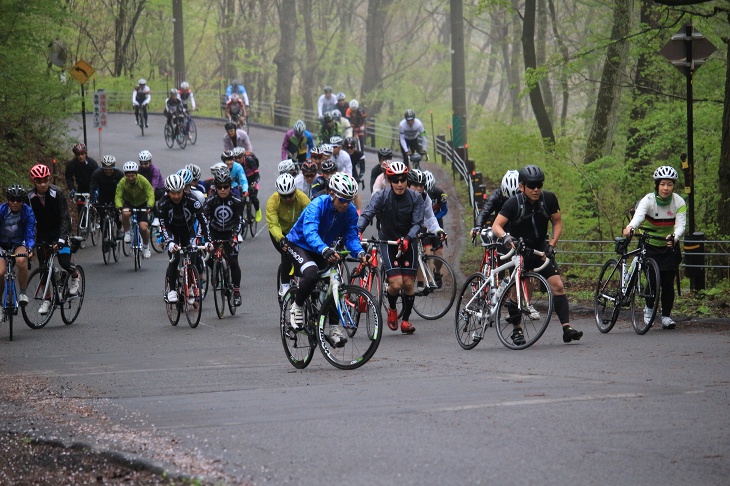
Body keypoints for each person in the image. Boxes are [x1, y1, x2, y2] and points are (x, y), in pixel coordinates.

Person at [491, 164, 583, 344]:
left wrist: (552, 244)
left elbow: (557, 222)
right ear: (521, 186)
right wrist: (507, 237)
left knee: (558, 285)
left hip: (540, 247)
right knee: (517, 294)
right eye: (531, 185)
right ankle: (517, 330)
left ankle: (567, 328)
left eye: (539, 185)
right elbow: (496, 225)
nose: (536, 189)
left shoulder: (548, 199)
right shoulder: (513, 203)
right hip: (519, 248)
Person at [284, 172, 367, 347]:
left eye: (349, 199)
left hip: (323, 248)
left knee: (335, 282)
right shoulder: (317, 205)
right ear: (332, 194)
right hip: (300, 244)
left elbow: (351, 237)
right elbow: (310, 232)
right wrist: (324, 249)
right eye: (342, 199)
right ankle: (297, 306)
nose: (346, 204)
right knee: (311, 273)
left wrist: (360, 253)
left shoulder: (350, 211)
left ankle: (333, 328)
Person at [358, 161, 424, 334]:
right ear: (389, 180)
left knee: (409, 284)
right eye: (395, 180)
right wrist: (358, 230)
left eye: (403, 180)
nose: (399, 184)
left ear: (407, 180)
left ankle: (406, 321)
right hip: (389, 242)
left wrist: (409, 238)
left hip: (409, 242)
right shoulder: (381, 196)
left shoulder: (415, 198)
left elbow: (418, 222)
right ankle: (393, 308)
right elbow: (368, 213)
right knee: (396, 284)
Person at [623, 165, 687, 330]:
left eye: (670, 184)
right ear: (657, 185)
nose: (666, 188)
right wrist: (630, 227)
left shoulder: (679, 202)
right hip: (650, 243)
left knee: (667, 283)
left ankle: (666, 316)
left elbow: (680, 225)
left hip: (669, 244)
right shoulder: (648, 200)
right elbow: (638, 217)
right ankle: (649, 309)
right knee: (652, 280)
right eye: (663, 184)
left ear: (673, 186)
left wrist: (674, 237)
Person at [27, 164, 81, 314]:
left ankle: (75, 277)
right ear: (34, 181)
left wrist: (62, 239)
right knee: (44, 268)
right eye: (39, 181)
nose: (42, 184)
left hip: (59, 230)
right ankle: (48, 299)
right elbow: (27, 220)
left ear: (49, 179)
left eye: (45, 180)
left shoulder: (57, 193)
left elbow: (64, 217)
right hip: (43, 233)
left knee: (64, 260)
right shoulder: (29, 196)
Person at [159, 174, 210, 304]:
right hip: (172, 232)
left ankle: (192, 286)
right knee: (175, 259)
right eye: (173, 193)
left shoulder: (192, 200)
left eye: (179, 193)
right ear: (168, 192)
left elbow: (203, 221)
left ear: (183, 190)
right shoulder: (163, 203)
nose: (176, 196)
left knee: (192, 256)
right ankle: (171, 290)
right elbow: (163, 225)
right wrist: (169, 242)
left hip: (188, 232)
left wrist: (208, 240)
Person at [203, 169, 244, 306]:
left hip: (230, 233)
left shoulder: (237, 201)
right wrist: (206, 239)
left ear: (230, 186)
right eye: (219, 187)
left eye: (225, 186)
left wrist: (234, 236)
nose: (222, 190)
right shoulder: (210, 201)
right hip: (214, 232)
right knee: (208, 258)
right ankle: (216, 272)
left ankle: (236, 292)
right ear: (215, 186)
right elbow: (205, 221)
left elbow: (239, 221)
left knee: (233, 261)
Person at [266, 173, 310, 297]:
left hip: (297, 231)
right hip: (280, 231)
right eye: (284, 196)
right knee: (286, 252)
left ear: (295, 191)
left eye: (290, 195)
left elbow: (311, 216)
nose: (288, 199)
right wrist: (280, 239)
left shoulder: (302, 198)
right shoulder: (272, 201)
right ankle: (285, 285)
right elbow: (273, 224)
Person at [408, 169, 448, 287]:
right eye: (415, 185)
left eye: (421, 185)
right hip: (404, 227)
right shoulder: (402, 195)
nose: (419, 188)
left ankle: (427, 280)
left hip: (423, 225)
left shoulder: (427, 197)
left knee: (428, 254)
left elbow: (430, 217)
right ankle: (422, 281)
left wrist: (438, 230)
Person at [0, 185, 35, 306]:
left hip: (18, 243)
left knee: (21, 260)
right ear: (8, 200)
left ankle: (23, 293)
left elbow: (30, 233)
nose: (15, 203)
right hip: (2, 244)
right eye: (12, 200)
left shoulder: (27, 212)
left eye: (19, 200)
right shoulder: (2, 210)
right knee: (0, 272)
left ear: (23, 201)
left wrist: (30, 248)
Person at [115, 161, 155, 259]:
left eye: (132, 175)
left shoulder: (142, 180)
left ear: (136, 174)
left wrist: (150, 205)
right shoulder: (122, 182)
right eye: (128, 176)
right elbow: (118, 195)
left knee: (143, 228)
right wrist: (119, 206)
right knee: (125, 213)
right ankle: (127, 232)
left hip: (142, 203)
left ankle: (146, 247)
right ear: (125, 175)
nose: (130, 178)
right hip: (129, 202)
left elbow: (150, 193)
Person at [472, 170, 519, 237]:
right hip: (500, 229)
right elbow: (485, 211)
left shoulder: (526, 196)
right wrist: (478, 226)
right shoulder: (495, 196)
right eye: (507, 198)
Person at [89, 155, 124, 239]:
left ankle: (119, 229)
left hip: (115, 195)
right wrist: (92, 200)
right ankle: (104, 237)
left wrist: (123, 201)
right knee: (102, 215)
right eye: (106, 169)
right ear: (102, 168)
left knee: (116, 213)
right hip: (102, 195)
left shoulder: (119, 174)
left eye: (110, 169)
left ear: (114, 167)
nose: (108, 171)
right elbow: (93, 188)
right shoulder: (97, 174)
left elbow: (124, 188)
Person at [232, 148, 262, 221]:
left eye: (239, 157)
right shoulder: (234, 164)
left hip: (252, 179)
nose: (237, 160)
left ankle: (258, 210)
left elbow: (257, 174)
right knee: (240, 199)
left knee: (253, 197)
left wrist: (255, 182)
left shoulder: (250, 161)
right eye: (235, 158)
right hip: (242, 181)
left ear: (244, 156)